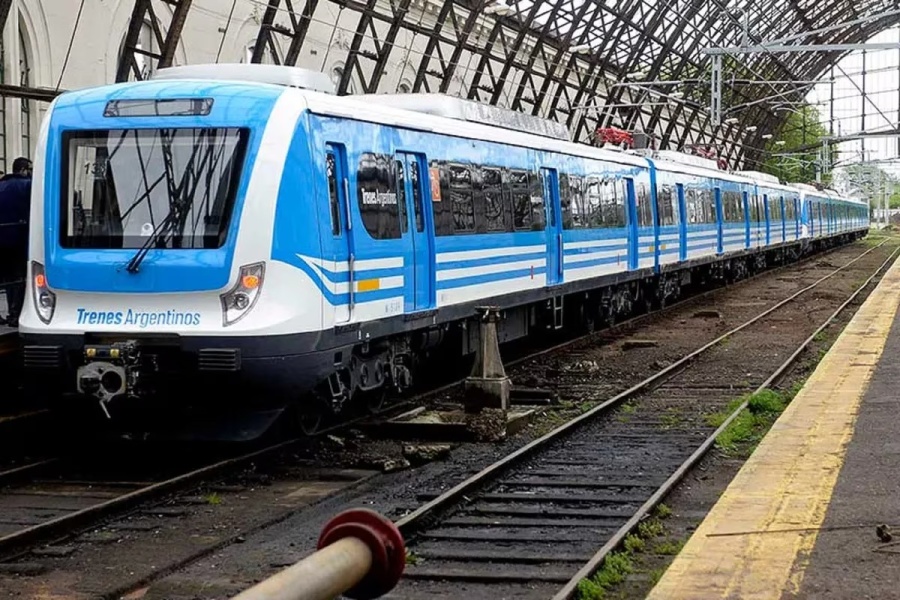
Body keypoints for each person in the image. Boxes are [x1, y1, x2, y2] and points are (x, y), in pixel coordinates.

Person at [0, 157, 33, 326]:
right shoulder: (27, 185)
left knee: (5, 278)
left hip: (1, 239)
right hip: (19, 238)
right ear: (22, 170)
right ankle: (15, 314)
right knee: (19, 277)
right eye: (30, 169)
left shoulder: (2, 185)